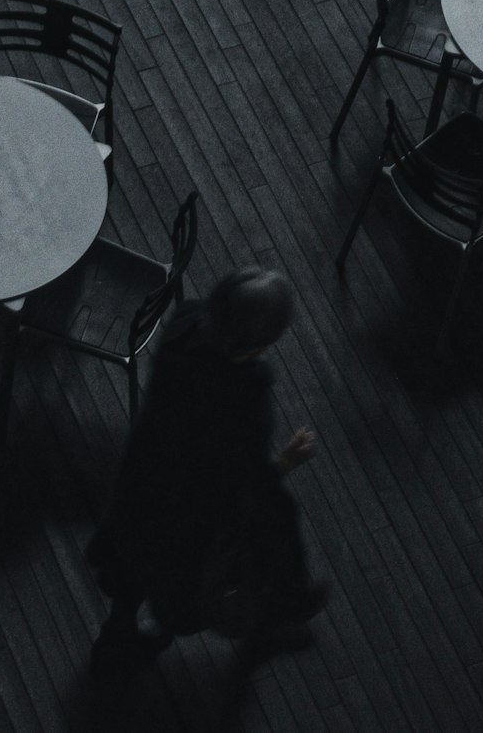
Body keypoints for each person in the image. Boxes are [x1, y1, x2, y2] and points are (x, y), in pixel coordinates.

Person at [88, 267, 327, 682]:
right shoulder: (245, 397)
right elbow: (243, 479)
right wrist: (286, 461)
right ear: (258, 344)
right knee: (185, 582)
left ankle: (116, 640)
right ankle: (280, 607)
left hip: (143, 482)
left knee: (130, 565)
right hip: (189, 511)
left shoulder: (186, 325)